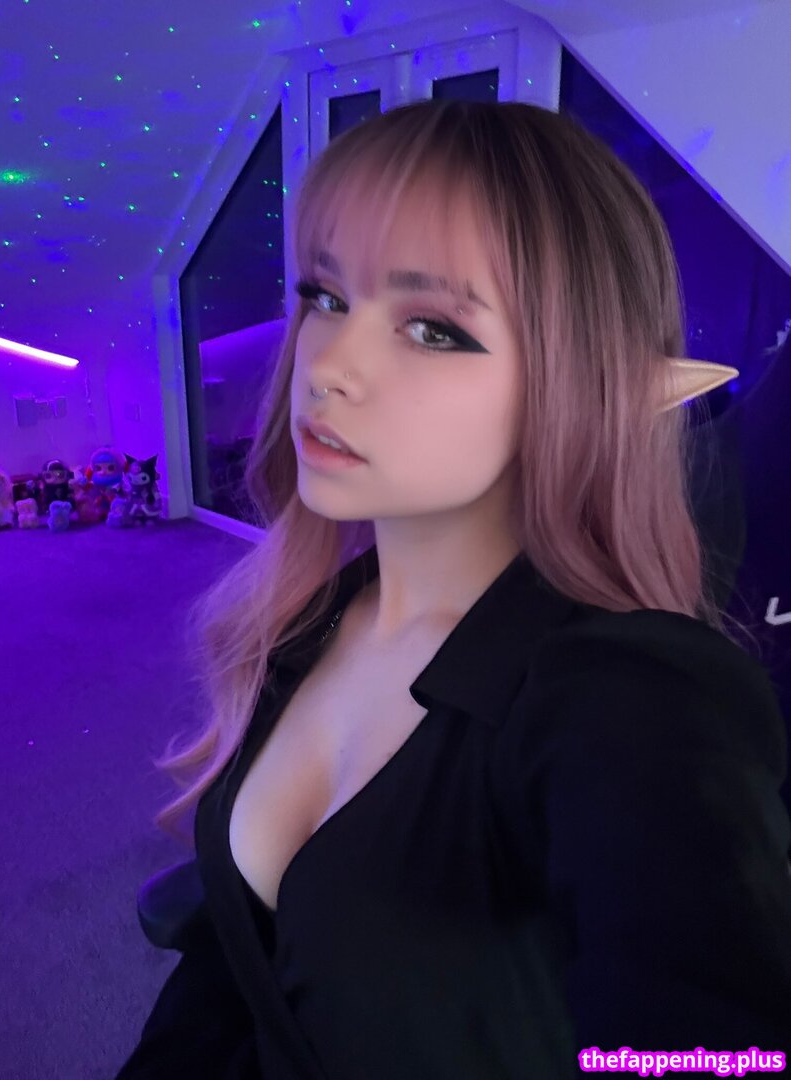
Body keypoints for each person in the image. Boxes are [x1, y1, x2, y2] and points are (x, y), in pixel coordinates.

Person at [115, 99, 791, 1079]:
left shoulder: (632, 694)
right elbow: (234, 967)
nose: (328, 366)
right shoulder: (309, 621)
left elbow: (714, 1028)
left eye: (433, 329)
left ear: (577, 382)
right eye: (326, 295)